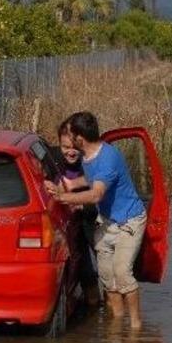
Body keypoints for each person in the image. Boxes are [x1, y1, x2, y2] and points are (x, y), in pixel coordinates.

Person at [46, 112, 147, 329]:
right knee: (107, 275)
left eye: (71, 134)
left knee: (122, 272)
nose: (68, 139)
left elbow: (96, 194)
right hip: (108, 221)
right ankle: (117, 323)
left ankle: (136, 327)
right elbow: (92, 177)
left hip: (129, 220)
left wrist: (64, 197)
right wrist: (71, 186)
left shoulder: (108, 157)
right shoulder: (87, 155)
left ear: (80, 138)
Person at [50, 119, 101, 307]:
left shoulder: (91, 162)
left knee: (105, 269)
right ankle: (90, 306)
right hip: (66, 227)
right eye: (65, 147)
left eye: (74, 147)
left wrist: (79, 204)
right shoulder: (51, 158)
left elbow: (101, 196)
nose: (70, 152)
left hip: (90, 221)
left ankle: (106, 315)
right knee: (81, 266)